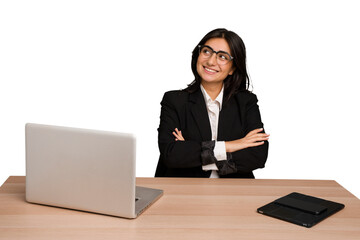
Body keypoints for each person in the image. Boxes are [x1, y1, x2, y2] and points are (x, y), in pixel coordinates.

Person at [155, 28, 269, 178]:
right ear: (198, 55)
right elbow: (172, 154)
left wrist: (194, 150)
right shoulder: (175, 100)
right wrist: (233, 145)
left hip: (234, 190)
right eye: (206, 51)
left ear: (232, 68)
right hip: (184, 189)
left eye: (222, 56)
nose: (210, 61)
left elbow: (257, 156)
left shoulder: (246, 102)